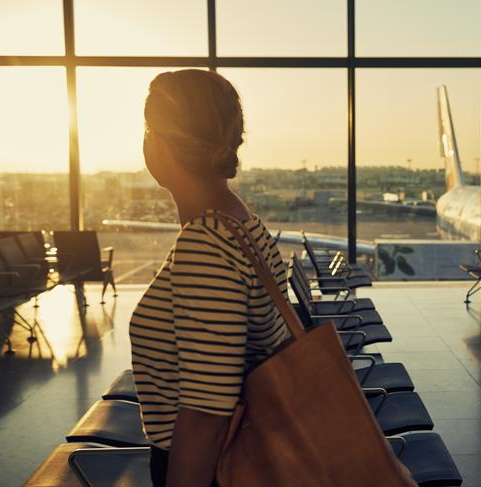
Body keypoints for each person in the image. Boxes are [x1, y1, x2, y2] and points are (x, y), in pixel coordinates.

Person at [129, 69, 290, 487]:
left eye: (147, 130)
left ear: (161, 144)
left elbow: (206, 414)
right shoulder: (241, 223)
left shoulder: (207, 244)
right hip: (249, 452)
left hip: (217, 467)